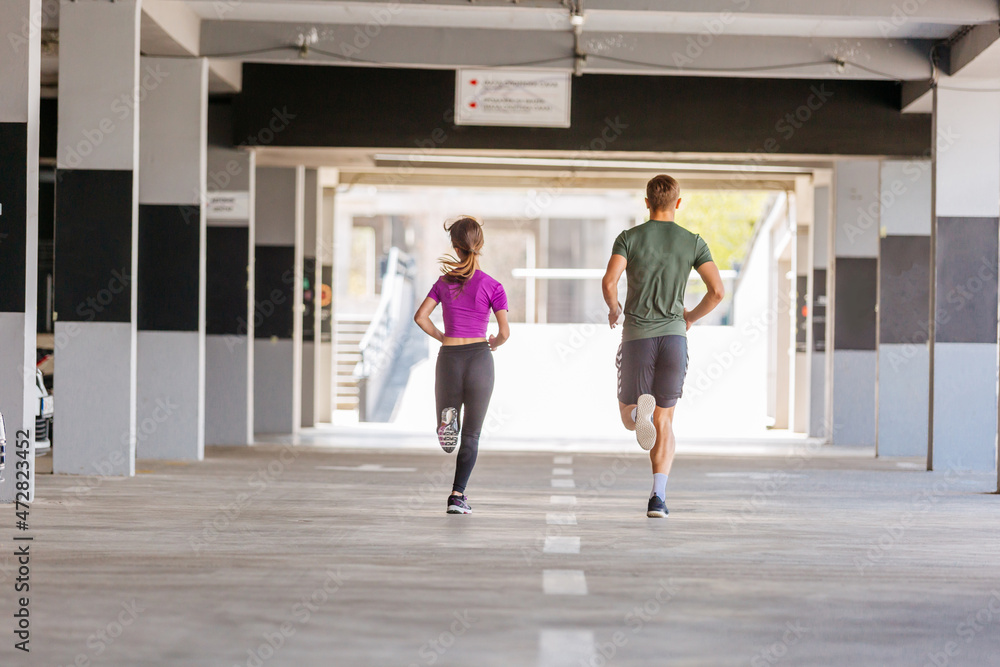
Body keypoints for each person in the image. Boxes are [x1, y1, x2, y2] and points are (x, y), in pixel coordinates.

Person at [602, 175, 725, 518]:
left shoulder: (629, 238)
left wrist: (614, 309)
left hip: (637, 337)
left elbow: (609, 281)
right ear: (678, 203)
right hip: (674, 337)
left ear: (646, 202)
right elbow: (717, 291)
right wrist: (689, 318)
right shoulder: (692, 242)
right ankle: (658, 497)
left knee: (630, 417)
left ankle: (636, 413)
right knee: (665, 420)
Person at [414, 217, 510, 515]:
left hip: (450, 359)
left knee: (450, 418)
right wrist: (493, 341)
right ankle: (457, 496)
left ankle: (446, 420)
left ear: (455, 247)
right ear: (479, 246)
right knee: (472, 435)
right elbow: (505, 332)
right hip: (480, 359)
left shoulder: (443, 283)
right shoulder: (493, 286)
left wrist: (443, 336)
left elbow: (421, 317)